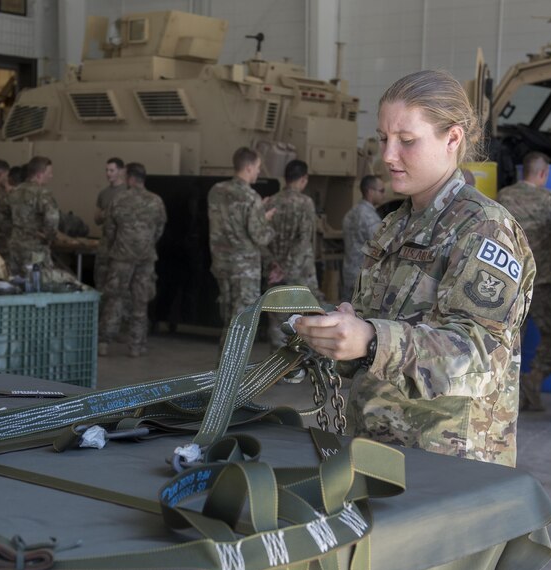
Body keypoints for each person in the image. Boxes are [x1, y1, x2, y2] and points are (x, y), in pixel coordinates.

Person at [294, 70, 534, 467]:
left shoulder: (484, 228)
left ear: (452, 139)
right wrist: (340, 337)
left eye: (406, 141)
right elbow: (380, 334)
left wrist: (372, 339)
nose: (388, 155)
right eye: (383, 138)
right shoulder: (394, 226)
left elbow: (479, 356)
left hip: (446, 461)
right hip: (378, 447)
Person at [497, 151, 551, 412]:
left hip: (509, 283)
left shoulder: (504, 197)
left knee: (507, 339)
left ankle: (506, 396)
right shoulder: (549, 200)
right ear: (543, 174)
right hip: (543, 283)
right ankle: (533, 380)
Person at [98, 162, 166, 357]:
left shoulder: (118, 199)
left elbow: (109, 231)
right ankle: (136, 346)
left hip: (121, 258)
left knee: (114, 299)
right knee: (140, 301)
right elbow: (159, 231)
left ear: (129, 178)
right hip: (145, 259)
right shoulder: (156, 201)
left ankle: (104, 342)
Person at [207, 147, 276, 337]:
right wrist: (266, 220)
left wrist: (256, 212)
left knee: (229, 319)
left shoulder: (216, 191)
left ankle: (225, 365)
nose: (258, 171)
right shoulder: (250, 196)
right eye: (258, 167)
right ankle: (234, 366)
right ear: (249, 167)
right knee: (242, 323)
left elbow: (231, 219)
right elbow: (259, 236)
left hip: (221, 264)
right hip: (244, 270)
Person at [263, 159, 324, 346]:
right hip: (301, 272)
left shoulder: (271, 202)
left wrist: (275, 265)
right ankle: (301, 364)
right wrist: (287, 267)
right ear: (303, 179)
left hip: (274, 273)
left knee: (277, 318)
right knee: (307, 317)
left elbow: (262, 239)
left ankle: (277, 366)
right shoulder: (305, 202)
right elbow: (304, 239)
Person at [7, 156, 60, 276]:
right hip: (35, 248)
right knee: (37, 283)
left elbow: (3, 217)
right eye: (49, 173)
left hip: (14, 247)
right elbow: (53, 218)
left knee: (15, 282)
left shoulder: (14, 192)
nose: (51, 176)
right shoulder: (42, 193)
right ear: (40, 174)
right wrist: (49, 237)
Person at [340, 175, 384, 301]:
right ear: (370, 191)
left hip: (348, 272)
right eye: (381, 191)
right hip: (363, 277)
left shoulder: (351, 213)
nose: (383, 195)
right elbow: (381, 246)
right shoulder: (370, 217)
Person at [93, 157, 127, 294]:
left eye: (112, 170)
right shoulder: (103, 193)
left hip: (121, 243)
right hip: (105, 243)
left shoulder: (126, 192)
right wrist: (105, 213)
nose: (108, 174)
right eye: (107, 170)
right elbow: (96, 218)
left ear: (120, 171)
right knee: (101, 279)